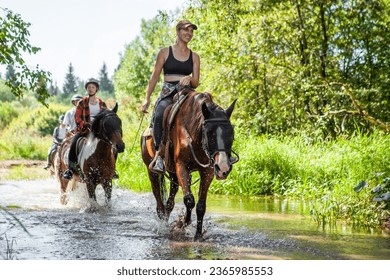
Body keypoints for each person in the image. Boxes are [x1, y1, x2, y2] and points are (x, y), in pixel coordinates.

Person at [141, 19, 200, 174]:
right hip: (168, 93)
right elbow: (154, 77)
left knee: (204, 112)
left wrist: (190, 79)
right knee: (160, 114)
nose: (189, 33)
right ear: (178, 31)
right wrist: (147, 99)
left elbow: (196, 81)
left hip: (186, 93)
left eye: (191, 31)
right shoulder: (165, 52)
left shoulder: (195, 57)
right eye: (186, 30)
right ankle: (159, 155)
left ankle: (208, 152)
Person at [63, 78, 107, 179]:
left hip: (99, 131)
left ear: (96, 89)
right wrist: (86, 125)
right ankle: (70, 169)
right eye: (89, 87)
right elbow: (78, 118)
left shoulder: (102, 103)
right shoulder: (82, 103)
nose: (91, 89)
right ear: (86, 89)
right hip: (85, 130)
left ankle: (112, 169)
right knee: (74, 142)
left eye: (93, 87)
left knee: (112, 145)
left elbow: (106, 117)